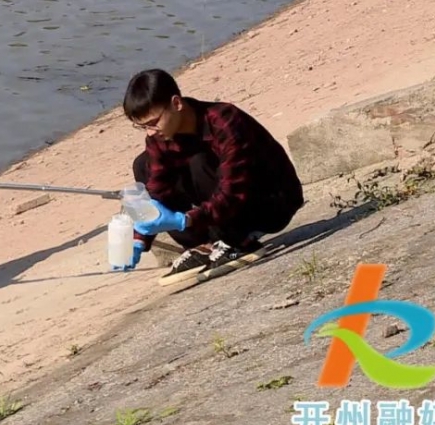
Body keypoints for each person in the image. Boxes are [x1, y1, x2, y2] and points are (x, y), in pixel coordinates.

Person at [123, 68, 304, 276]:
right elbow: (158, 188)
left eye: (153, 123)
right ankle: (203, 246)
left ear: (176, 104)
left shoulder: (225, 120)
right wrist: (140, 237)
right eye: (142, 126)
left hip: (270, 200)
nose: (150, 132)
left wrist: (187, 220)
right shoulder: (159, 138)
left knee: (199, 160)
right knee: (142, 164)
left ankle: (238, 241)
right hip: (219, 207)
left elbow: (232, 190)